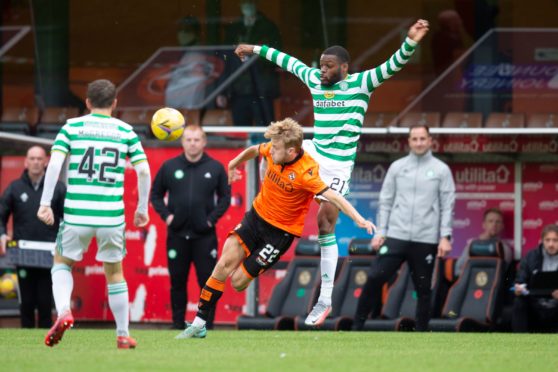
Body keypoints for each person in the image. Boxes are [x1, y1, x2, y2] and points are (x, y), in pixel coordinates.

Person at [235, 19, 430, 326]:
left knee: (326, 223)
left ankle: (324, 300)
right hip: (315, 152)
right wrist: (254, 48)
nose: (322, 71)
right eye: (321, 66)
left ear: (344, 68)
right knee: (274, 145)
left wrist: (411, 42)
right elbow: (286, 60)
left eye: (328, 67)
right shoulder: (314, 78)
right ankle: (264, 197)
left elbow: (393, 65)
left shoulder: (361, 84)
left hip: (338, 163)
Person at [174, 118, 375, 339]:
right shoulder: (275, 148)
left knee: (238, 282)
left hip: (279, 234)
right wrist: (233, 163)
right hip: (256, 218)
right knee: (223, 265)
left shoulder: (307, 173)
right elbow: (254, 150)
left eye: (276, 147)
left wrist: (359, 219)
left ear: (291, 151)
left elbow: (334, 197)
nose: (271, 149)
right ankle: (199, 323)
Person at [36, 79, 151, 349]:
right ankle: (122, 334)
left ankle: (64, 309)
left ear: (87, 102)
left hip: (77, 214)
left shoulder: (72, 127)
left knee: (62, 262)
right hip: (111, 216)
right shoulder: (125, 130)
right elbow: (143, 171)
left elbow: (54, 164)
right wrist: (142, 208)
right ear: (115, 103)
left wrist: (45, 203)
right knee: (115, 273)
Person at [353, 125, 456, 332]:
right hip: (396, 236)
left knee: (423, 289)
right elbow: (386, 201)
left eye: (422, 139)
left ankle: (421, 331)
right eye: (415, 139)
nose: (419, 143)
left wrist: (445, 236)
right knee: (374, 277)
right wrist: (381, 232)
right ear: (409, 141)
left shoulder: (441, 169)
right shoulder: (397, 167)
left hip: (425, 238)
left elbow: (448, 205)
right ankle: (356, 327)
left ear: (430, 141)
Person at [150, 124, 231, 330]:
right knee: (177, 281)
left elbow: (225, 197)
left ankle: (206, 324)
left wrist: (210, 220)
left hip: (204, 236)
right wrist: (168, 217)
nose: (192, 143)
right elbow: (156, 195)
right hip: (177, 235)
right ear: (182, 141)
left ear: (203, 142)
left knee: (208, 281)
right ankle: (177, 323)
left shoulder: (215, 167)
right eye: (188, 139)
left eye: (196, 140)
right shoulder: (169, 166)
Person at [0, 146, 65, 328]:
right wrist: (3, 234)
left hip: (49, 254)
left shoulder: (58, 188)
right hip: (22, 254)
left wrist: (64, 242)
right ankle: (26, 339)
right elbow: (1, 214)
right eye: (32, 158)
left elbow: (67, 217)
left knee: (45, 303)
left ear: (46, 162)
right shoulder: (14, 187)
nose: (36, 162)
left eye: (39, 158)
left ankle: (46, 338)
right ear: (26, 161)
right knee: (26, 302)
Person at [223, 0, 282, 126]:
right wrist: (223, 90)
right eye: (244, 2)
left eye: (250, 2)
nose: (247, 5)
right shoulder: (234, 28)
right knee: (241, 127)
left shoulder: (268, 27)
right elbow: (227, 59)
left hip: (262, 88)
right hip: (238, 88)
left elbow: (276, 56)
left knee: (265, 129)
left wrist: (254, 55)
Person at [512, 224, 558, 333]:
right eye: (547, 240)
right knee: (519, 301)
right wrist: (519, 288)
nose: (551, 244)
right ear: (542, 241)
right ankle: (519, 340)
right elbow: (520, 280)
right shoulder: (531, 256)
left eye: (555, 240)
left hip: (556, 304)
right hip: (535, 302)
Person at [455, 207, 513, 276]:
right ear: (484, 225)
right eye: (490, 221)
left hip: (493, 284)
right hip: (471, 282)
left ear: (502, 226)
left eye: (498, 222)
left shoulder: (504, 248)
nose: (494, 224)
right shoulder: (473, 245)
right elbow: (457, 270)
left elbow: (500, 272)